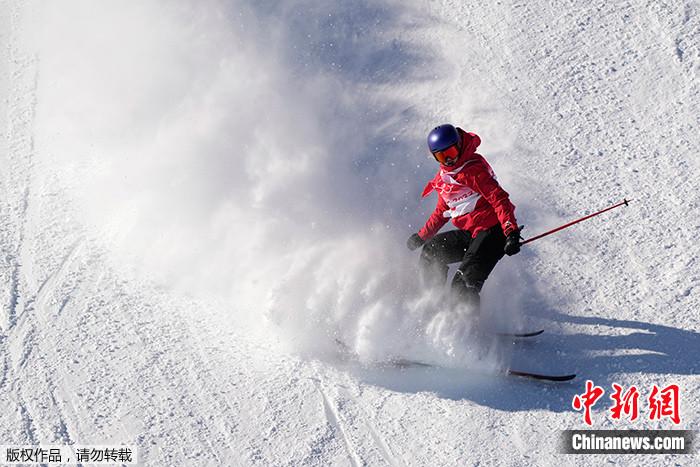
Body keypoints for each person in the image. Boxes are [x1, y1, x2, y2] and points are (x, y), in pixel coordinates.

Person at [406, 124, 521, 312]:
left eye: (451, 152)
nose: (449, 159)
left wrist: (511, 232)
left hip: (494, 232)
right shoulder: (446, 178)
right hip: (473, 233)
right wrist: (421, 236)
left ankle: (465, 327)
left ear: (459, 145)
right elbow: (442, 211)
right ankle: (430, 304)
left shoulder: (472, 170)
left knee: (463, 281)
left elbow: (499, 199)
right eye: (442, 156)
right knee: (432, 251)